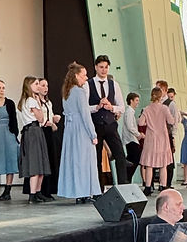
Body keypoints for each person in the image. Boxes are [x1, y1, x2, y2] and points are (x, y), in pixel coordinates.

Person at [57, 62, 101, 203]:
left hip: (70, 129)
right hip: (81, 129)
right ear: (76, 76)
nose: (86, 78)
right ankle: (85, 193)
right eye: (84, 75)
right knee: (85, 160)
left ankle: (78, 192)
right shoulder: (79, 91)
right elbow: (85, 114)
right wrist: (93, 134)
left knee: (74, 161)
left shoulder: (66, 91)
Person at [88, 54, 127, 185]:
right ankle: (98, 188)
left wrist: (112, 108)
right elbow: (84, 108)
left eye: (106, 67)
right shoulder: (88, 84)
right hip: (95, 125)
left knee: (120, 155)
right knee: (96, 157)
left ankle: (123, 185)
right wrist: (97, 107)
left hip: (110, 124)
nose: (104, 70)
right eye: (101, 67)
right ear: (95, 67)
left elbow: (122, 107)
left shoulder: (113, 84)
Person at [17, 75, 50, 204]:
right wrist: (39, 104)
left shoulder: (26, 100)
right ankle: (33, 194)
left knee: (39, 163)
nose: (38, 86)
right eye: (36, 84)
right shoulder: (31, 100)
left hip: (32, 131)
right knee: (36, 163)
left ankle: (37, 192)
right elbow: (41, 118)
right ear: (29, 86)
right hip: (33, 131)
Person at [138, 87, 174, 195]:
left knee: (149, 165)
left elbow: (140, 123)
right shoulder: (164, 108)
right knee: (163, 164)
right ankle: (163, 186)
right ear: (161, 96)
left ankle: (148, 187)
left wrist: (148, 123)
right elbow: (171, 121)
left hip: (150, 138)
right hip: (162, 138)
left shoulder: (147, 109)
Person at [37, 77, 61, 197]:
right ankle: (41, 189)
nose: (45, 88)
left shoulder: (48, 102)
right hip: (42, 131)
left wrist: (54, 118)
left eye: (46, 86)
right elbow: (39, 119)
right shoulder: (36, 102)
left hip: (50, 133)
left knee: (51, 159)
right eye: (42, 85)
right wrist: (49, 122)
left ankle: (50, 189)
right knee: (43, 160)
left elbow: (49, 115)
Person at [119, 90, 142, 181]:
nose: (138, 102)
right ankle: (127, 178)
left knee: (133, 159)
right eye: (136, 100)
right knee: (134, 159)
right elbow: (130, 126)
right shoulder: (129, 111)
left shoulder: (130, 111)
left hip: (131, 139)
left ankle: (127, 178)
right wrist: (138, 134)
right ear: (131, 101)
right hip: (130, 139)